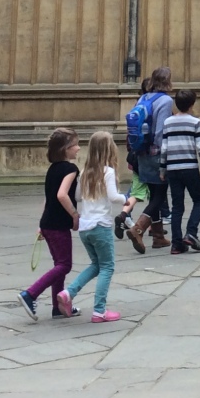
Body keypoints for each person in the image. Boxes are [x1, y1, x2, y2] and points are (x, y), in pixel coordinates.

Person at [58, 130, 134, 323]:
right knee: (107, 267)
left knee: (96, 265)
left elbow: (77, 197)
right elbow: (113, 197)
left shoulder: (84, 172)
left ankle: (68, 293)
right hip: (101, 226)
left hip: (85, 227)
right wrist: (126, 199)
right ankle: (99, 311)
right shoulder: (108, 172)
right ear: (109, 150)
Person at [18, 127, 80, 321]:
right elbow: (61, 195)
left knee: (59, 264)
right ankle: (30, 294)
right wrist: (75, 215)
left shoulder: (52, 169)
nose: (78, 148)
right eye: (75, 145)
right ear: (65, 149)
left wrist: (41, 224)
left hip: (48, 223)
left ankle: (57, 307)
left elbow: (48, 198)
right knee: (65, 265)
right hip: (59, 224)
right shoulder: (70, 169)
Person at [126, 68, 176, 254]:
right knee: (159, 196)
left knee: (154, 193)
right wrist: (165, 157)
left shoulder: (143, 98)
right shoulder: (166, 101)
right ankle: (138, 228)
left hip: (142, 152)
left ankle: (158, 236)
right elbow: (160, 132)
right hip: (157, 153)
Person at [159, 88, 200, 253]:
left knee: (177, 206)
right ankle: (191, 232)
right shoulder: (195, 122)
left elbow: (164, 148)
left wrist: (162, 169)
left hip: (172, 169)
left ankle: (176, 244)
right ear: (192, 104)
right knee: (199, 200)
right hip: (190, 168)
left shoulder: (167, 122)